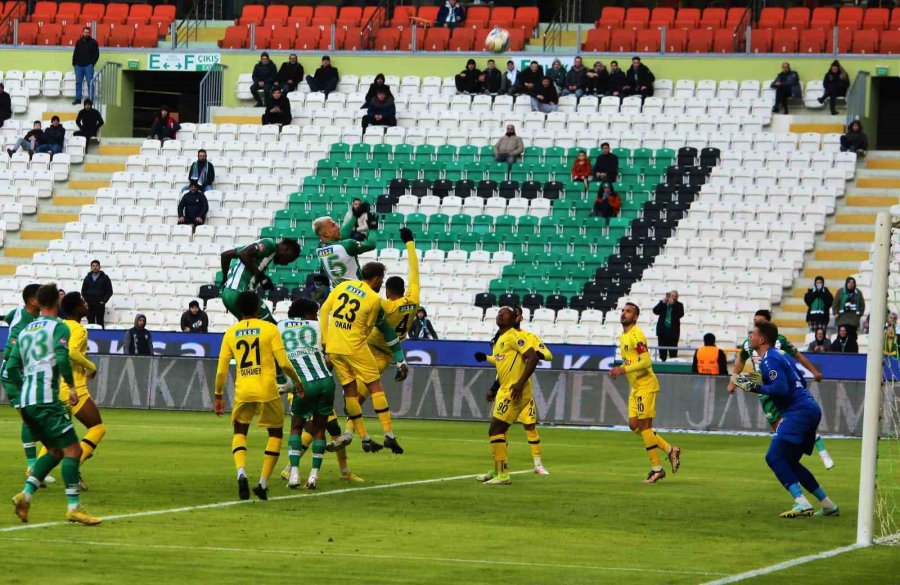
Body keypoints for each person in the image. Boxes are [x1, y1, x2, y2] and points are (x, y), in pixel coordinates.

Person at [3, 284, 101, 525]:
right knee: (73, 451)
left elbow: (11, 366)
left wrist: (24, 387)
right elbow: (61, 356)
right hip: (47, 400)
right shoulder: (57, 327)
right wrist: (72, 386)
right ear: (56, 303)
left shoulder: (25, 331)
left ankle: (24, 496)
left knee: (55, 451)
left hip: (26, 401)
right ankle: (74, 507)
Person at [730, 321, 839, 518]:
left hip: (798, 412)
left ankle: (801, 503)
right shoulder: (779, 357)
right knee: (790, 462)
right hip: (809, 408)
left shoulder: (768, 360)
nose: (750, 337)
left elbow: (781, 389)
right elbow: (799, 380)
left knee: (774, 457)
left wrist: (755, 387)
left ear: (762, 339)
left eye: (753, 334)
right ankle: (828, 504)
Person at [329, 228, 418, 455]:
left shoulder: (383, 304)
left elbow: (368, 303)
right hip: (387, 356)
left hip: (366, 349)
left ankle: (352, 434)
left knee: (355, 394)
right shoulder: (415, 301)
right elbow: (414, 272)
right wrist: (410, 243)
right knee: (363, 394)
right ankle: (373, 434)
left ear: (387, 290)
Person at [214, 291, 303, 501]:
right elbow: (283, 363)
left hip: (243, 390)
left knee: (240, 431)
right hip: (267, 390)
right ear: (258, 308)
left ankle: (241, 472)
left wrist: (218, 395)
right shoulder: (269, 329)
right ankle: (262, 483)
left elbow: (221, 371)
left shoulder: (230, 333)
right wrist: (297, 382)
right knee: (275, 435)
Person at [319, 262, 405, 455]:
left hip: (333, 347)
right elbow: (368, 327)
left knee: (350, 390)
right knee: (375, 386)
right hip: (355, 346)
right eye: (381, 279)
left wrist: (325, 340)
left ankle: (365, 438)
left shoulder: (342, 286)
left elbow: (324, 310)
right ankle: (389, 435)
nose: (381, 283)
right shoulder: (374, 299)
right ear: (376, 278)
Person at [729, 309, 833, 469]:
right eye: (755, 321)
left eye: (760, 321)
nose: (756, 324)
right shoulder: (748, 343)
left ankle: (821, 450)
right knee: (780, 428)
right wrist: (733, 381)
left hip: (780, 381)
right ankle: (791, 461)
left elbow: (798, 356)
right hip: (763, 385)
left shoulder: (779, 341)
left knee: (797, 417)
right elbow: (740, 360)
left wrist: (814, 371)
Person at [278, 298, 362, 488]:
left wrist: (282, 382)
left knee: (297, 428)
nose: (316, 317)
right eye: (313, 314)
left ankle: (293, 473)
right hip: (324, 382)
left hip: (300, 385)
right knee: (320, 430)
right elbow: (331, 353)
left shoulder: (280, 326)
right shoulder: (319, 327)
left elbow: (277, 358)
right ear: (307, 314)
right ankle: (316, 475)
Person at [476, 306, 553, 477]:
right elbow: (501, 365)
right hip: (505, 389)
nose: (500, 315)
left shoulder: (521, 337)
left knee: (508, 428)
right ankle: (498, 470)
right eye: (498, 313)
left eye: (505, 314)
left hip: (517, 389)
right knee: (499, 430)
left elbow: (540, 355)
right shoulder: (500, 340)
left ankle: (524, 468)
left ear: (516, 318)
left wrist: (520, 381)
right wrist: (493, 386)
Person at [609, 303, 681, 483]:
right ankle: (670, 450)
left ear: (635, 317)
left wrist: (623, 369)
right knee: (634, 426)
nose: (624, 313)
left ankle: (656, 469)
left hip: (646, 385)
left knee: (645, 426)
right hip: (636, 387)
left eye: (628, 311)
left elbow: (647, 361)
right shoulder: (623, 336)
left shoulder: (636, 334)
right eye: (623, 311)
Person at [1, 284, 50, 486]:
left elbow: (8, 316)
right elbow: (11, 354)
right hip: (13, 374)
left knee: (31, 418)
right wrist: (22, 384)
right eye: (40, 297)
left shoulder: (21, 314)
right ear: (32, 301)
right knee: (29, 417)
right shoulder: (22, 325)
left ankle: (34, 465)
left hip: (21, 372)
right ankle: (32, 465)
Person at [57, 292, 106, 488]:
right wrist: (91, 367)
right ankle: (73, 467)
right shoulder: (78, 329)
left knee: (59, 433)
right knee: (97, 428)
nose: (87, 304)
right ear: (78, 308)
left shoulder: (60, 327)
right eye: (83, 302)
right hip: (74, 387)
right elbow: (72, 352)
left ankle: (34, 471)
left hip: (56, 386)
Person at [219, 238, 301, 323]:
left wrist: (225, 278)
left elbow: (225, 255)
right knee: (269, 323)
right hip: (239, 293)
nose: (285, 263)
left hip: (229, 294)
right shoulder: (270, 245)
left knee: (250, 327)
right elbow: (243, 254)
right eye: (288, 259)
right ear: (285, 248)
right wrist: (261, 277)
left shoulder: (259, 249)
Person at [653, 291, 684, 361]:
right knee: (662, 355)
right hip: (662, 332)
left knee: (673, 355)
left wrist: (673, 304)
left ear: (677, 297)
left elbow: (680, 314)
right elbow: (655, 311)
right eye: (671, 295)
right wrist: (662, 303)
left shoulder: (679, 305)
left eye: (675, 296)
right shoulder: (663, 303)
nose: (673, 297)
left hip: (673, 333)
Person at [80, 259, 113, 328]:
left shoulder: (105, 278)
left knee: (100, 322)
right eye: (93, 266)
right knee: (90, 323)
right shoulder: (87, 278)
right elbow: (83, 291)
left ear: (99, 267)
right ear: (91, 267)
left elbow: (109, 291)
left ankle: (101, 338)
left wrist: (103, 301)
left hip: (99, 304)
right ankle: (90, 338)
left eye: (96, 266)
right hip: (89, 304)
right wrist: (86, 301)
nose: (95, 267)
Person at [72, 26, 99, 105]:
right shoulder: (78, 42)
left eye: (87, 32)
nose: (86, 34)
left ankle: (90, 100)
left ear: (89, 33)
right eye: (85, 32)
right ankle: (78, 99)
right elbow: (75, 52)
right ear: (82, 32)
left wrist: (92, 64)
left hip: (88, 66)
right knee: (78, 83)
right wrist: (74, 63)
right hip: (78, 66)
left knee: (90, 83)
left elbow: (96, 54)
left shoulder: (93, 42)